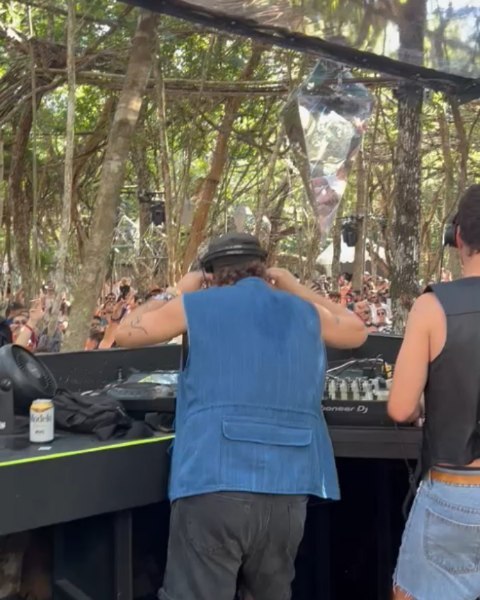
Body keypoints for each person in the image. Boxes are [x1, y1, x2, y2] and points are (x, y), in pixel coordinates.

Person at [115, 232, 367, 600]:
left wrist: (175, 290)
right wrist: (297, 288)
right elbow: (357, 331)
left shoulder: (196, 304)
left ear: (212, 275)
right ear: (264, 271)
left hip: (213, 478)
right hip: (289, 487)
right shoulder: (305, 311)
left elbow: (125, 333)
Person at [388, 185, 480, 600]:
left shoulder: (432, 306)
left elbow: (400, 407)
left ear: (456, 236)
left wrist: (426, 402)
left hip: (455, 491)